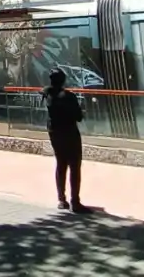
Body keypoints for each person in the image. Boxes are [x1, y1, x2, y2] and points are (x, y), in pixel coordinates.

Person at [43, 69, 88, 213]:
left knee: (61, 164)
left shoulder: (48, 94)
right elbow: (78, 116)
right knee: (74, 166)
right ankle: (75, 201)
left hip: (55, 133)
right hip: (70, 133)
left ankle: (62, 199)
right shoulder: (68, 96)